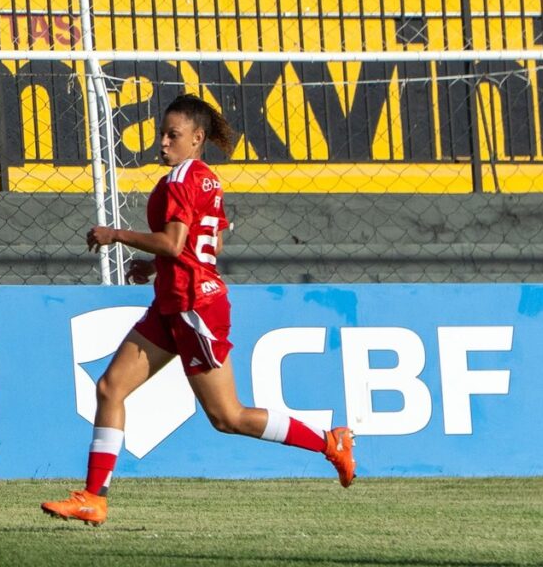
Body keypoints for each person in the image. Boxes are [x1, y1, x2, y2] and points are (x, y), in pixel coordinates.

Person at [40, 94, 356, 527]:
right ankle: (93, 498)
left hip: (194, 307)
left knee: (228, 417)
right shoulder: (206, 177)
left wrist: (116, 234)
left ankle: (329, 442)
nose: (163, 143)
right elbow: (211, 243)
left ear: (197, 138)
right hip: (173, 302)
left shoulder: (178, 182)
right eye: (162, 135)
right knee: (110, 388)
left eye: (174, 135)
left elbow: (174, 242)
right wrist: (157, 267)